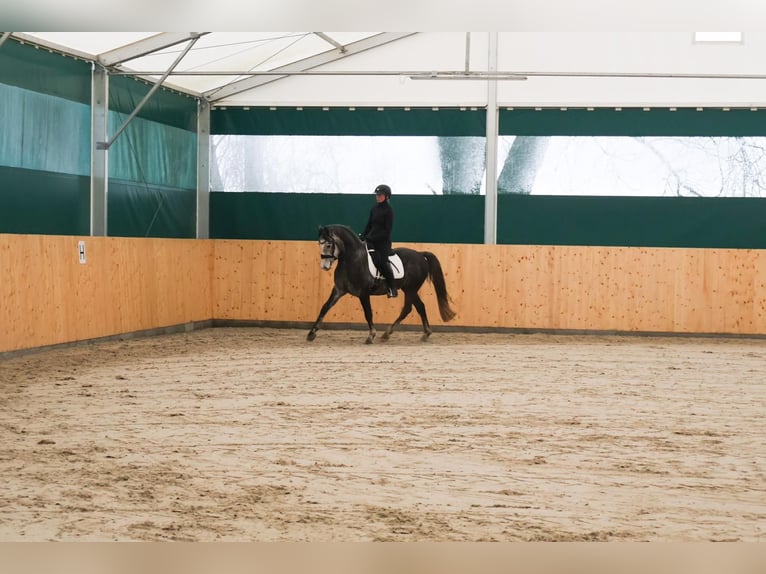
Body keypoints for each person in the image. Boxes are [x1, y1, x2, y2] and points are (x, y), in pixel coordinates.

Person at [360, 184, 397, 298]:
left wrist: (372, 237)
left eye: (380, 195)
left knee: (381, 261)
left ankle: (392, 287)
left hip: (383, 242)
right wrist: (363, 236)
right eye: (377, 195)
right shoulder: (374, 209)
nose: (378, 197)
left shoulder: (389, 211)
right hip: (371, 241)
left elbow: (387, 231)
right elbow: (369, 225)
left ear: (386, 196)